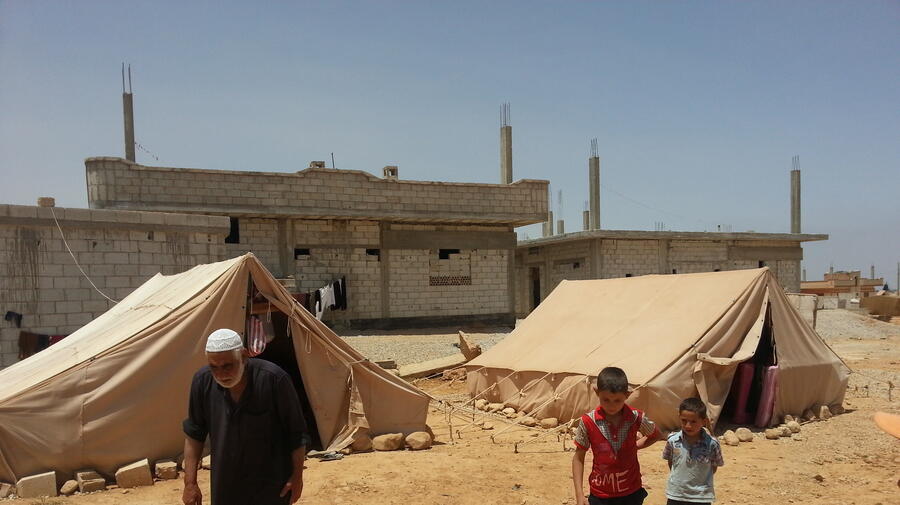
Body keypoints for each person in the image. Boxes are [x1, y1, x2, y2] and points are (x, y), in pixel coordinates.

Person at [182, 328, 311, 505]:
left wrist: (297, 477)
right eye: (214, 367)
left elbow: (296, 433)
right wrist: (190, 483)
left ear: (243, 356)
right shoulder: (202, 382)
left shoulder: (273, 379)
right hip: (226, 485)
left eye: (227, 366)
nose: (221, 374)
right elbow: (194, 435)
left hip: (271, 486)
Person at [572, 367, 662, 505]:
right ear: (596, 392)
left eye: (617, 400)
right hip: (600, 494)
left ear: (627, 395)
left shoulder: (635, 417)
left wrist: (635, 446)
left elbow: (655, 434)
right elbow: (578, 457)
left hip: (631, 492)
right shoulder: (588, 422)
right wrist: (579, 495)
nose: (611, 406)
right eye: (606, 400)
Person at [661, 398, 724, 505]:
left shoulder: (712, 444)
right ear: (679, 418)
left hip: (701, 496)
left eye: (693, 421)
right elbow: (671, 462)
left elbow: (713, 467)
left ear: (703, 421)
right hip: (676, 494)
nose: (688, 426)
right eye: (684, 420)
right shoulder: (673, 440)